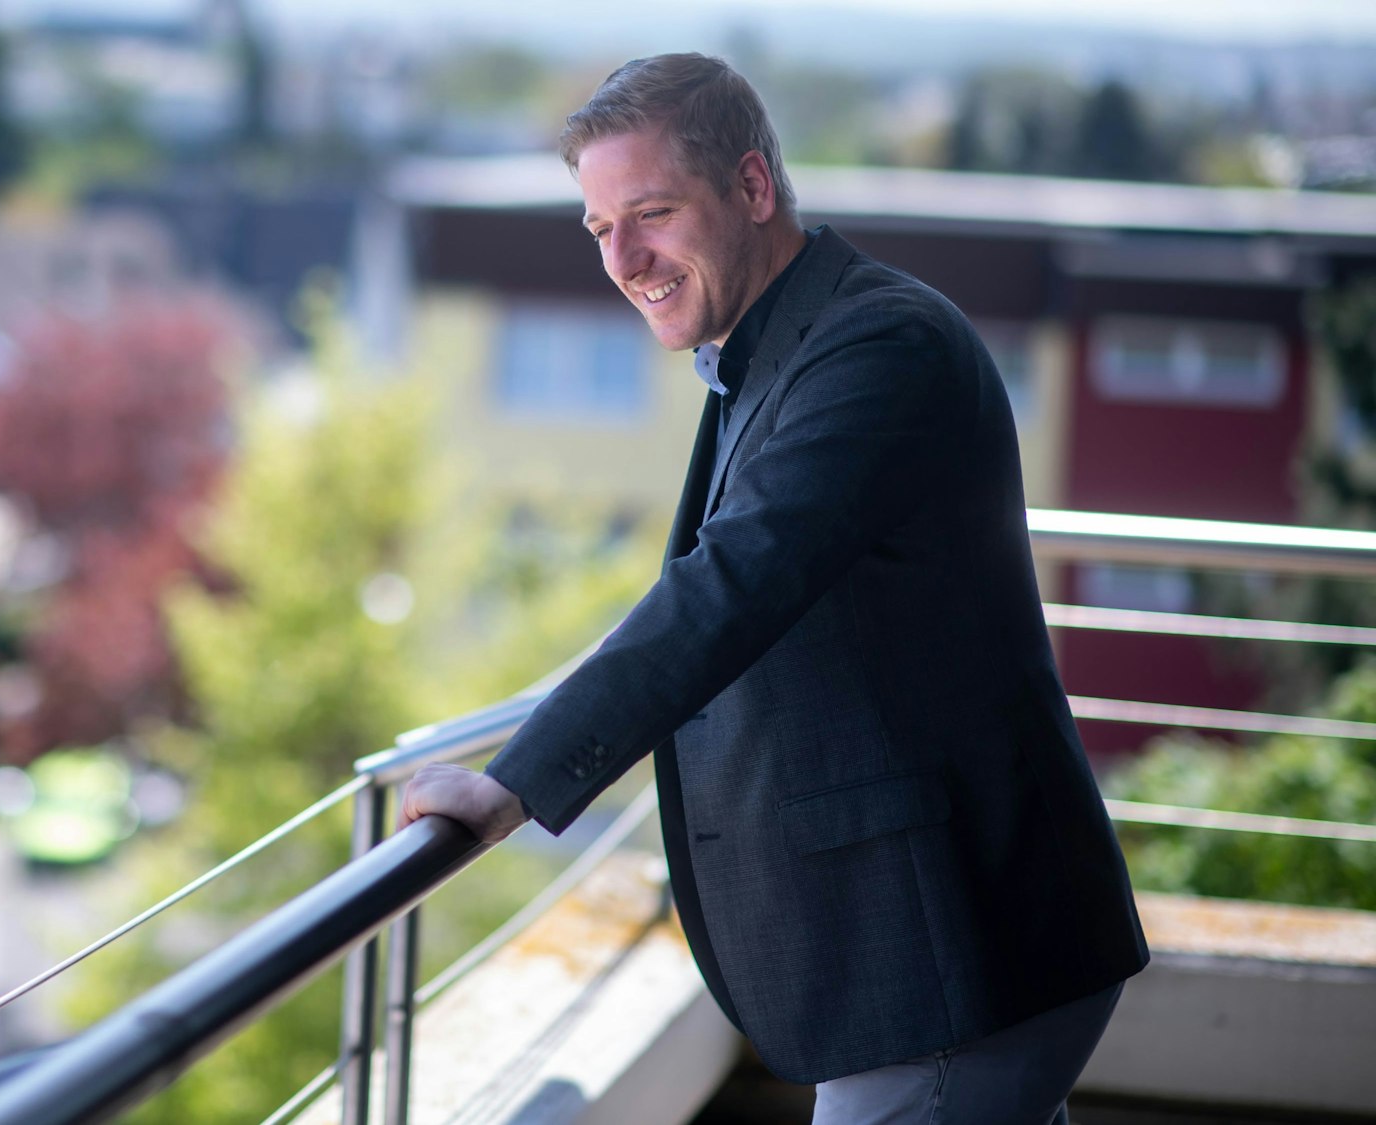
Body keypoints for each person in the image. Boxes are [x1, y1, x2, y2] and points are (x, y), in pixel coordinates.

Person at [398, 53, 1148, 1123]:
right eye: (598, 228)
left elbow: (736, 580)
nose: (623, 258)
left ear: (751, 188)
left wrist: (511, 784)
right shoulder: (767, 345)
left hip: (944, 955)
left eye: (650, 212)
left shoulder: (879, 346)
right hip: (939, 949)